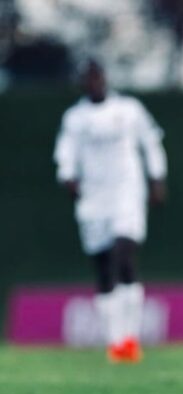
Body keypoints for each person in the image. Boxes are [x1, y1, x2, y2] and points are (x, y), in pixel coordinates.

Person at [53, 60, 167, 363]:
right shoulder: (75, 118)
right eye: (88, 78)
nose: (94, 83)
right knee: (104, 267)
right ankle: (115, 342)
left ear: (105, 79)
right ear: (83, 83)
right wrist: (67, 176)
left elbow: (151, 142)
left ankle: (130, 338)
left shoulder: (129, 110)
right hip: (93, 199)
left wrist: (157, 178)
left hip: (126, 192)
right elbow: (65, 152)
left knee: (123, 254)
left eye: (98, 77)